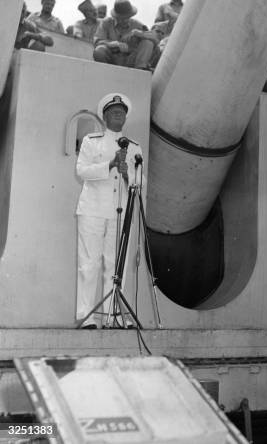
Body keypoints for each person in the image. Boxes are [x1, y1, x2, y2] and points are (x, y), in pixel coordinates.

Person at [75, 93, 143, 329]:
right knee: (89, 264)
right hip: (93, 209)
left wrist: (126, 173)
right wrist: (111, 164)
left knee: (116, 266)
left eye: (122, 112)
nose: (118, 114)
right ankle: (87, 317)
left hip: (120, 211)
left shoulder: (135, 147)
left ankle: (113, 315)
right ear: (104, 116)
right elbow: (82, 171)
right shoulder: (91, 140)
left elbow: (141, 182)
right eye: (113, 111)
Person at [93, 0, 159, 70]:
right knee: (99, 51)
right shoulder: (106, 23)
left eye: (127, 17)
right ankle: (104, 72)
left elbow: (156, 40)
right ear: (115, 16)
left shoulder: (137, 25)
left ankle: (140, 71)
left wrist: (141, 34)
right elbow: (97, 41)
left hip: (131, 61)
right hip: (111, 60)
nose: (125, 20)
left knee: (148, 43)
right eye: (121, 18)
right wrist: (111, 44)